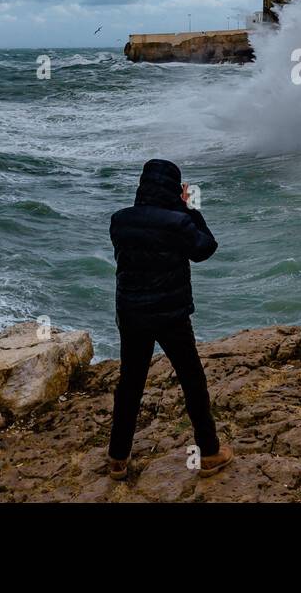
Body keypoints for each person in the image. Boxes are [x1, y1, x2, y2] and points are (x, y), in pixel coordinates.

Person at [106, 158, 233, 479]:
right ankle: (210, 453)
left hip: (131, 314)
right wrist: (188, 209)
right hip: (171, 315)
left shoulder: (119, 220)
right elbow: (205, 248)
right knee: (192, 381)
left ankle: (117, 459)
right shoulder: (178, 222)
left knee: (130, 384)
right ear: (175, 190)